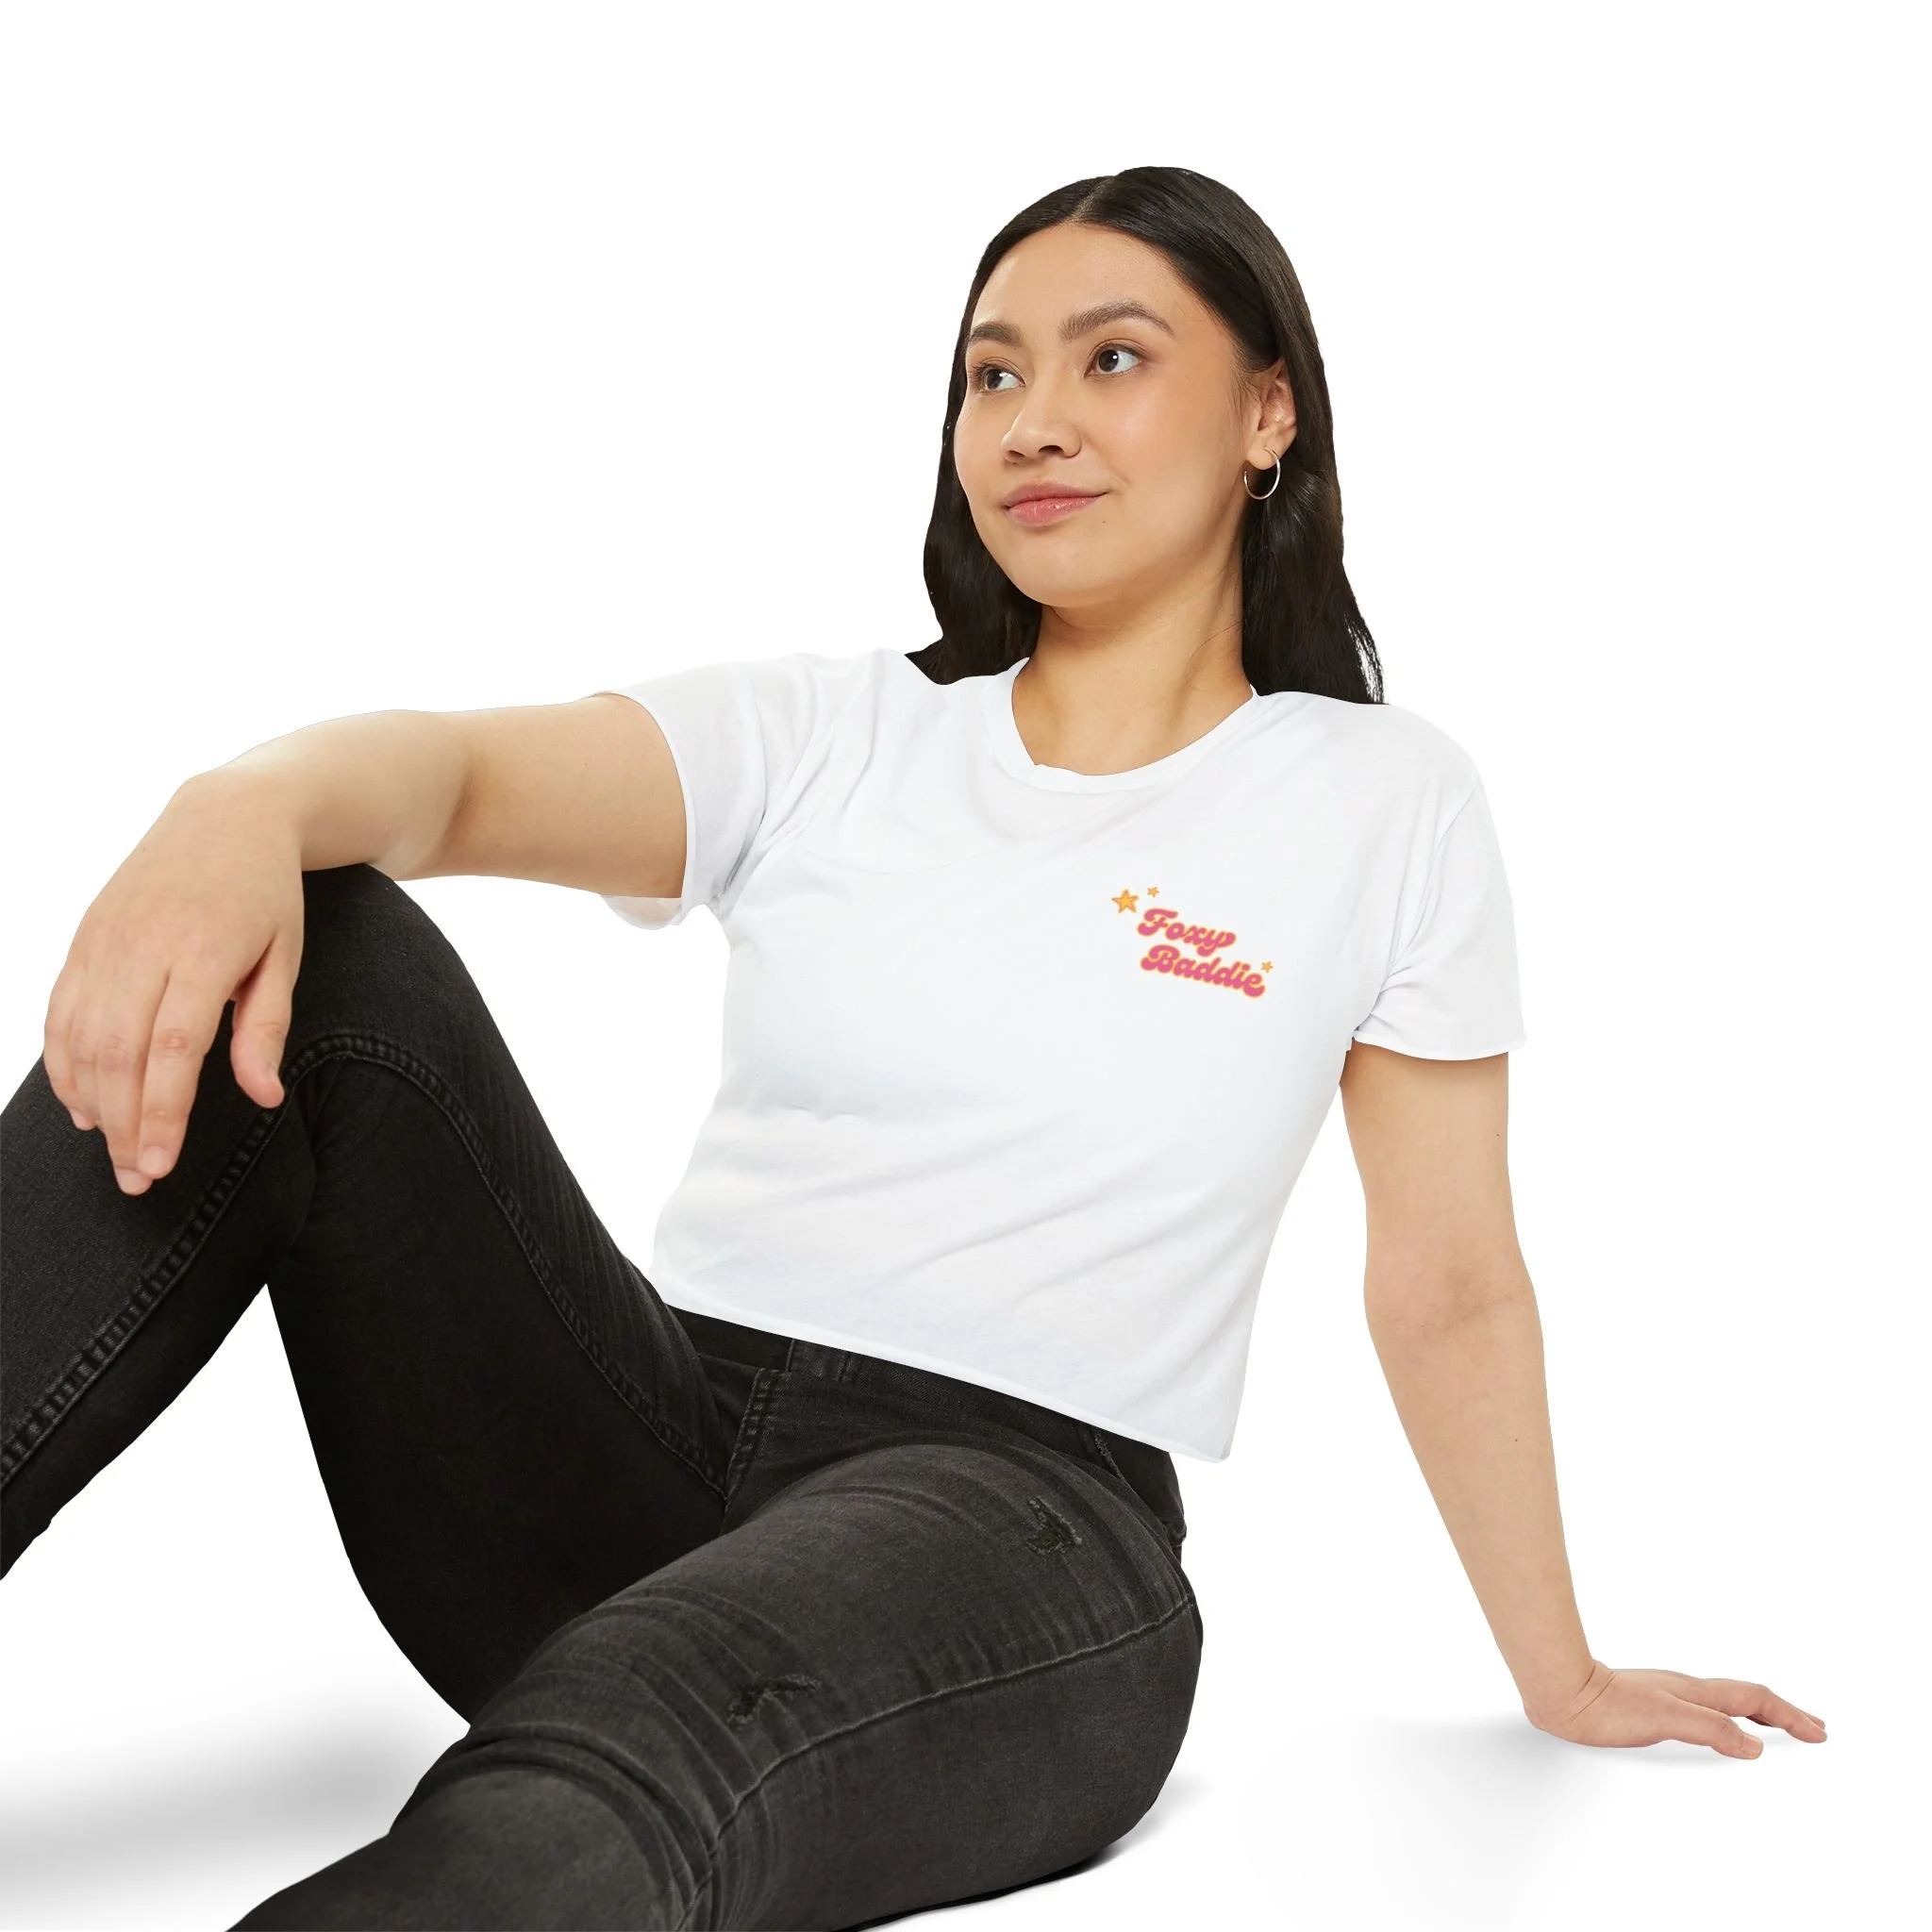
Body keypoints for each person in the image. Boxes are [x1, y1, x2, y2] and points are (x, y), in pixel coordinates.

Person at [0, 165, 1825, 1930]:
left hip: (1021, 1527)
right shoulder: (838, 733)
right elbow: (457, 778)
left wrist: (1559, 1669)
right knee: (317, 948)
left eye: (1113, 358)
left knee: (630, 1733)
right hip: (644, 1444)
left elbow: (1449, 1284)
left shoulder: (1381, 799)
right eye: (992, 374)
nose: (1035, 421)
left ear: (1268, 413)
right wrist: (233, 806)